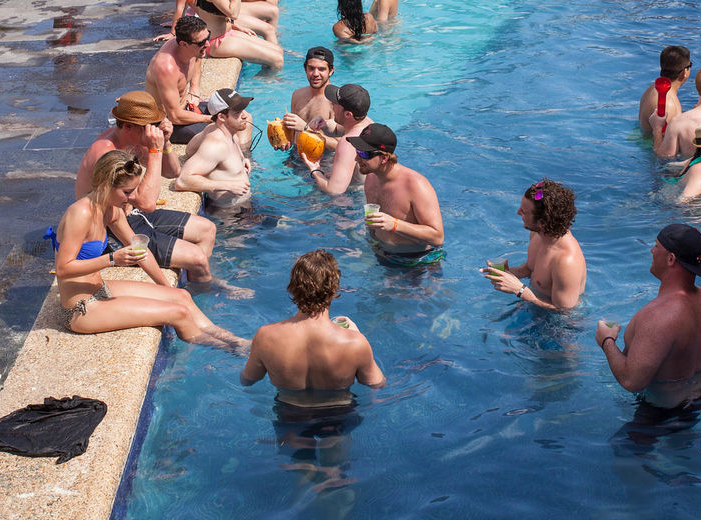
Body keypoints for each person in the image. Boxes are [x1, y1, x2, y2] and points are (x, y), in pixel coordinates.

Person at [52, 151, 243, 350]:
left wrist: (167, 289)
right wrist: (111, 259)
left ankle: (233, 339)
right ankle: (230, 350)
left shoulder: (112, 210)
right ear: (105, 184)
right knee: (179, 313)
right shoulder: (81, 213)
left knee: (182, 297)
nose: (132, 197)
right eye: (127, 192)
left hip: (100, 289)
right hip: (81, 309)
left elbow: (141, 251)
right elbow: (63, 269)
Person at [74, 92, 219, 284]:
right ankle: (201, 292)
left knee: (207, 230)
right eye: (151, 126)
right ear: (128, 126)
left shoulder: (132, 140)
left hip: (131, 214)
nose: (155, 131)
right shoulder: (107, 153)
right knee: (197, 258)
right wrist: (154, 150)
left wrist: (166, 143)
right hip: (110, 230)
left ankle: (198, 284)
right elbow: (148, 203)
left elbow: (173, 171)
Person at [241, 249, 386, 403]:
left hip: (289, 417)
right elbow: (377, 384)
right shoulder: (355, 343)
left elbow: (247, 380)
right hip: (338, 418)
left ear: (292, 287)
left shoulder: (265, 337)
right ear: (334, 290)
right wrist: (356, 334)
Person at [595, 224, 701, 408]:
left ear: (670, 258)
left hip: (665, 412)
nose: (652, 251)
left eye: (656, 246)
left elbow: (631, 381)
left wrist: (607, 341)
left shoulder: (659, 316)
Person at [482, 180, 586, 311]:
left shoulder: (566, 261)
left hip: (559, 325)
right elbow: (531, 268)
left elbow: (565, 313)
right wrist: (509, 273)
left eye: (524, 211)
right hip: (532, 303)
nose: (518, 212)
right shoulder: (536, 234)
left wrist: (520, 290)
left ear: (542, 222)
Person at [351, 123, 445, 264]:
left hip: (417, 262)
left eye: (364, 154)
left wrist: (394, 224)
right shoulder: (371, 178)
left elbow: (438, 238)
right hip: (381, 253)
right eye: (357, 151)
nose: (356, 159)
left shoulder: (416, 186)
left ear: (384, 158)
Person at [175, 88, 256, 206]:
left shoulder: (229, 133)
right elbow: (182, 181)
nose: (244, 116)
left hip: (243, 206)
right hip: (230, 215)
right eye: (237, 112)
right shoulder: (215, 145)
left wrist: (242, 160)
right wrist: (227, 186)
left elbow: (190, 150)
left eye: (243, 109)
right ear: (222, 117)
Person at [145, 15, 216, 145]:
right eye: (201, 42)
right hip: (167, 123)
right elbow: (175, 116)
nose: (207, 44)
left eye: (208, 37)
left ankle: (248, 160)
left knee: (240, 115)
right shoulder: (166, 68)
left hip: (186, 109)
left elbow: (198, 59)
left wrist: (194, 91)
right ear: (183, 44)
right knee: (220, 132)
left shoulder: (192, 49)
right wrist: (211, 119)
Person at [300, 83, 374, 196]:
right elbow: (338, 126)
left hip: (353, 199)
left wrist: (315, 169)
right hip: (367, 189)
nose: (331, 104)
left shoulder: (348, 144)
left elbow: (334, 191)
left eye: (336, 103)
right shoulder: (367, 123)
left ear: (348, 114)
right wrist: (324, 124)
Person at [282, 47, 338, 141]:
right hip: (295, 153)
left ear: (331, 71)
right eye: (311, 68)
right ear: (305, 69)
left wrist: (305, 128)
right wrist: (284, 139)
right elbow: (293, 133)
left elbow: (339, 145)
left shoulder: (337, 100)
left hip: (324, 155)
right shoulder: (297, 94)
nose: (315, 73)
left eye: (321, 69)